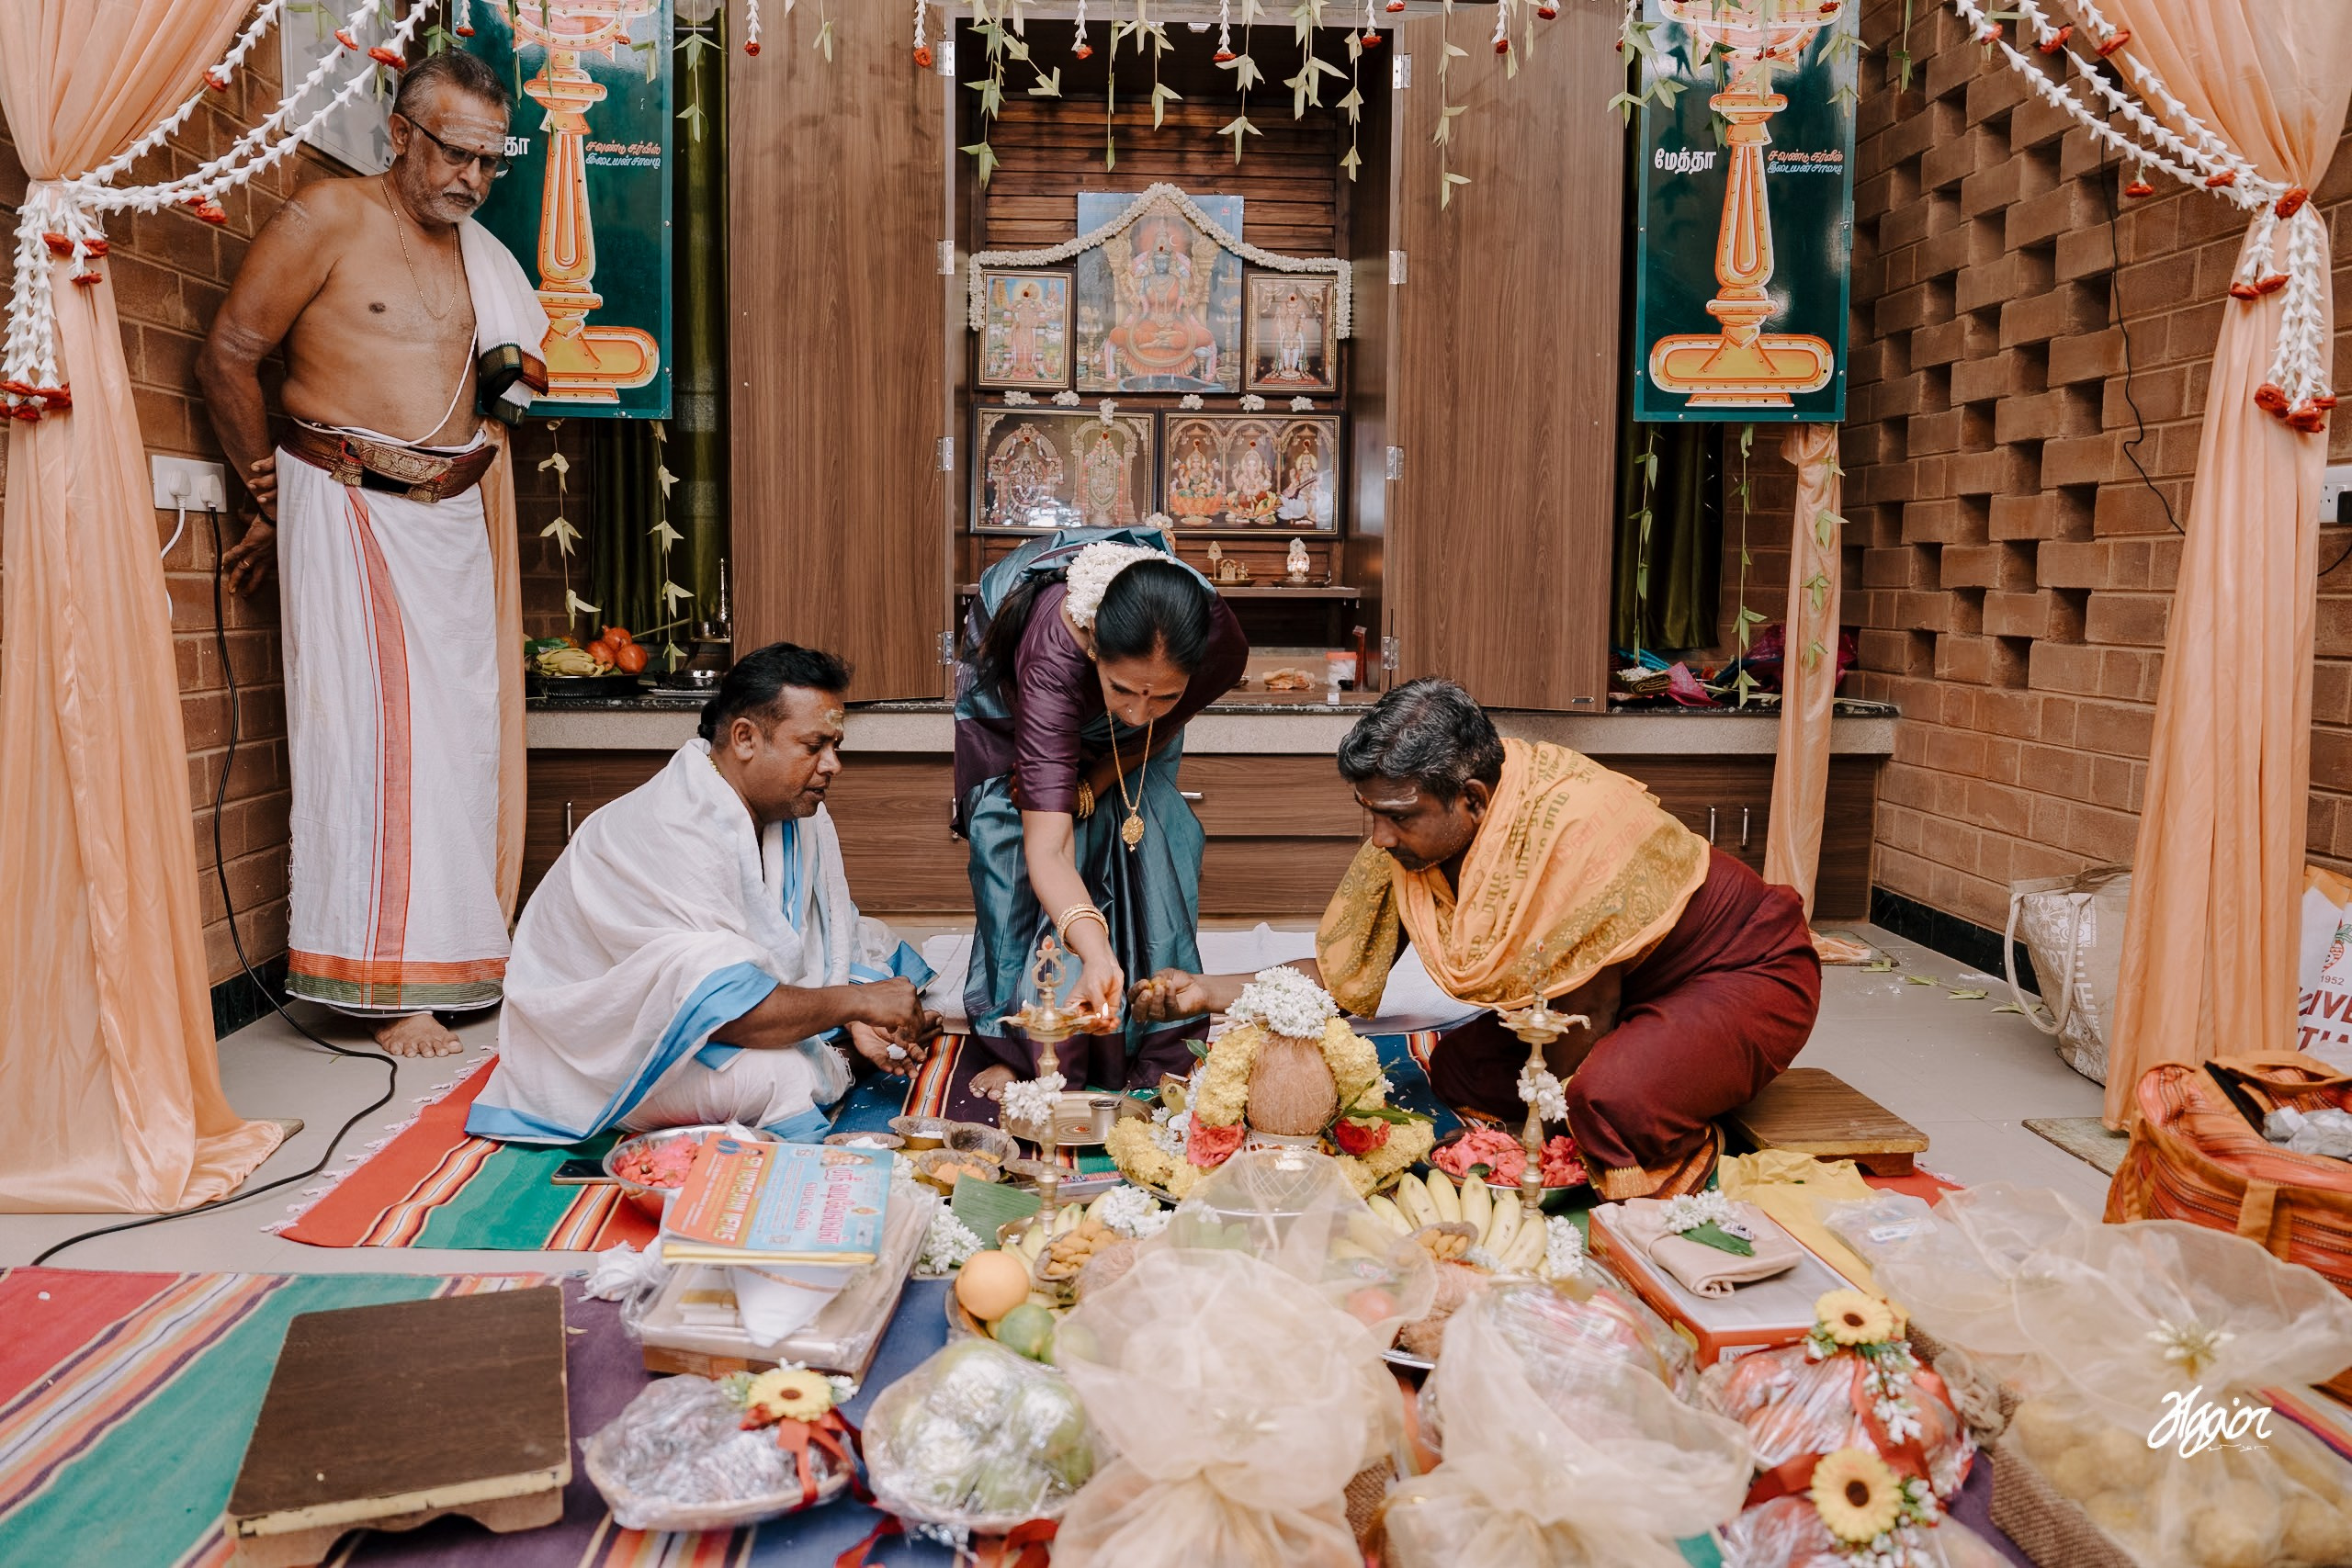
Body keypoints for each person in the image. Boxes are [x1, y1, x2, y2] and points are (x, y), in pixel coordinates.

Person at [1134, 678, 1821, 1200]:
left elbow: (1586, 1017)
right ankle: (1671, 1062)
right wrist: (1208, 990)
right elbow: (1341, 976)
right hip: (1606, 996)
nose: (1379, 837)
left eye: (1397, 816)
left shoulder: (1572, 829)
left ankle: (1686, 1098)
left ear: (1473, 799)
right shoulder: (1411, 833)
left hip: (1741, 972)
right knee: (1460, 1067)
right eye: (1369, 812)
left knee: (1605, 1104)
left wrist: (1548, 1130)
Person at [196, 51, 549, 1058]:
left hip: (448, 519)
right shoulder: (326, 219)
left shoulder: (477, 252)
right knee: (375, 747)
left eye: (489, 162)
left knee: (455, 748)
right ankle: (380, 988)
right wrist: (264, 490)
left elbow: (503, 387)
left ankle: (448, 954)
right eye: (453, 153)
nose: (471, 180)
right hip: (346, 504)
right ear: (400, 133)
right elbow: (229, 353)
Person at [468, 645, 939, 1145]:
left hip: (709, 1008)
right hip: (603, 1046)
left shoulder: (798, 816)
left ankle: (834, 1044)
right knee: (783, 1077)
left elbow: (819, 932)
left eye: (835, 745)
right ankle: (838, 1058)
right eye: (813, 746)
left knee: (880, 954)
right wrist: (854, 1007)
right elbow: (724, 1014)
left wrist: (858, 1007)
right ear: (744, 739)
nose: (833, 765)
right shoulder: (674, 826)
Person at [955, 528, 1250, 1115]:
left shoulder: (1217, 647)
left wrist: (1102, 778)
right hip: (1034, 720)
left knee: (1152, 846)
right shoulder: (1053, 657)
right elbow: (1049, 851)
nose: (1139, 712)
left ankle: (1151, 1045)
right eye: (1124, 688)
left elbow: (1154, 723)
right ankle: (1026, 1048)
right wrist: (1095, 952)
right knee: (1013, 856)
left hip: (1130, 754)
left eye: (1161, 694)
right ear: (1094, 650)